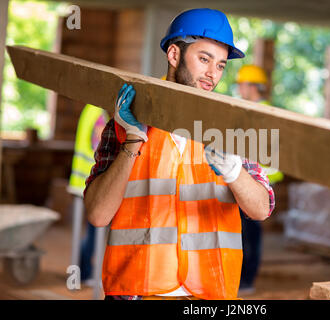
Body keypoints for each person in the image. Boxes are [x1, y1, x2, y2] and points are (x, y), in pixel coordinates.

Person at [83, 8, 275, 300]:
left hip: (209, 294)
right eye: (204, 59)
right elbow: (98, 215)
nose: (213, 74)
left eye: (221, 65)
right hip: (135, 289)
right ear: (174, 55)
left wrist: (235, 172)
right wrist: (133, 143)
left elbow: (261, 209)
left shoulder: (233, 128)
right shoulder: (126, 124)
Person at [235, 65, 283, 294]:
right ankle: (244, 278)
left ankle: (246, 280)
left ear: (252, 86)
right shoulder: (255, 109)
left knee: (250, 234)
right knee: (247, 233)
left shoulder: (260, 112)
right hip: (252, 179)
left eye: (242, 84)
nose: (239, 88)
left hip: (259, 181)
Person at [68, 104, 109, 282]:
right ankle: (84, 273)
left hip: (80, 179)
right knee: (95, 230)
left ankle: (82, 273)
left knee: (90, 230)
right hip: (91, 179)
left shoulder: (88, 110)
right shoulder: (98, 113)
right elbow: (101, 144)